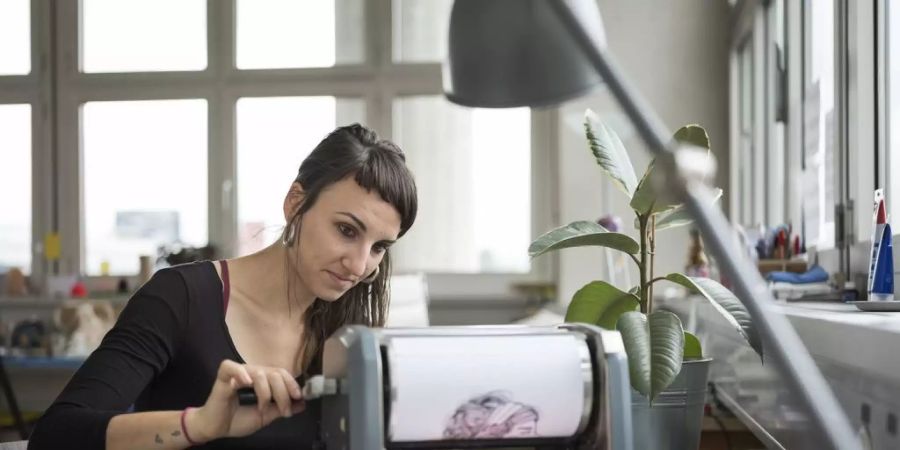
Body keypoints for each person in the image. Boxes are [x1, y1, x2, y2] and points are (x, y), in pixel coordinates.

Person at [28, 124, 418, 450]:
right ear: (295, 203)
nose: (360, 265)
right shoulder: (179, 298)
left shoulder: (349, 330)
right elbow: (55, 436)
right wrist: (199, 424)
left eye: (379, 247)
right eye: (346, 230)